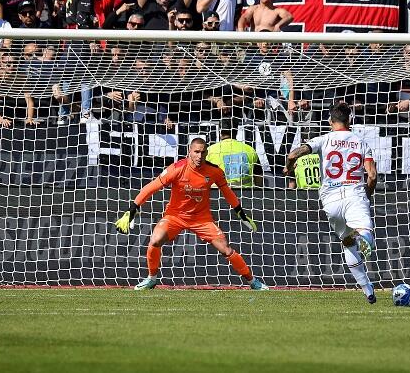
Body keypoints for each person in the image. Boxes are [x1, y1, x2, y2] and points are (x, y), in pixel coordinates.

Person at [115, 137, 269, 291]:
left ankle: (253, 282)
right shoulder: (176, 168)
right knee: (155, 240)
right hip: (175, 216)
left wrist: (241, 213)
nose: (199, 156)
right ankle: (151, 279)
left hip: (202, 219)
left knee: (226, 249)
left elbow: (227, 193)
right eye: (196, 152)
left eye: (203, 152)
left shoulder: (214, 171)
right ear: (189, 151)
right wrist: (132, 209)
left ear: (207, 152)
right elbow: (151, 187)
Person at [284, 102, 378, 304]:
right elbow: (372, 175)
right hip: (355, 194)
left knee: (347, 241)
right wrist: (366, 195)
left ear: (330, 121)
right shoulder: (361, 143)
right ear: (350, 120)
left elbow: (293, 154)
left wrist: (288, 168)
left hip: (330, 200)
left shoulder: (323, 139)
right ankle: (362, 238)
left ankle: (368, 290)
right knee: (365, 234)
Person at [206, 120, 261, 187]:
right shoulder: (249, 150)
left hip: (217, 194)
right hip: (246, 194)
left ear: (220, 132)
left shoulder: (209, 151)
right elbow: (258, 179)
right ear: (236, 131)